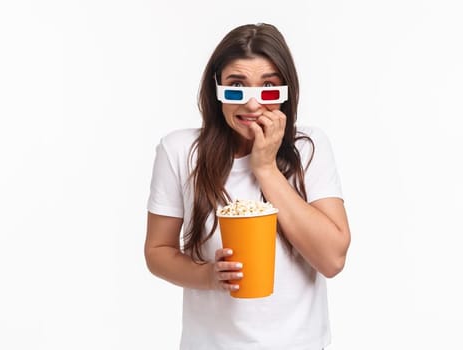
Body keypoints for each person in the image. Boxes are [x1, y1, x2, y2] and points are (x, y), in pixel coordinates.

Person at [144, 23, 351, 350]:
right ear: (216, 90)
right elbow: (157, 252)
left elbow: (332, 259)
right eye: (236, 88)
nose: (253, 105)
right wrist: (208, 277)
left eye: (268, 89)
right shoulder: (180, 151)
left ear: (286, 91)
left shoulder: (309, 148)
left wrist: (266, 168)